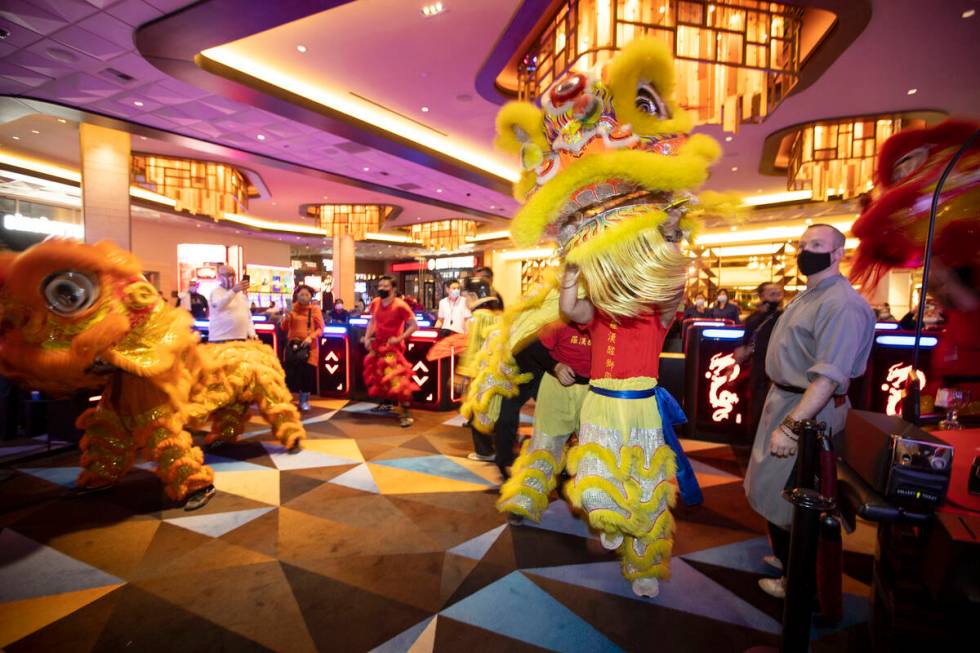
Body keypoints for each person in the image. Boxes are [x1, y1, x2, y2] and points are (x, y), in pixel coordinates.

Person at [743, 224, 875, 599]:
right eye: (802, 245)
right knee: (778, 492)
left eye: (816, 245)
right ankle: (788, 561)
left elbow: (828, 378)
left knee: (800, 497)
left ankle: (802, 587)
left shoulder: (841, 304)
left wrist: (791, 426)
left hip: (808, 410)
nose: (806, 251)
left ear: (837, 254)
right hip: (787, 399)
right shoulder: (811, 295)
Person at [497, 320, 592, 523]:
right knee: (544, 447)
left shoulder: (609, 318)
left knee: (596, 450)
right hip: (557, 389)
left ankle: (602, 511)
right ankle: (524, 501)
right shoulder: (561, 318)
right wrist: (556, 366)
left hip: (595, 391)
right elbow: (530, 347)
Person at [361, 277, 419, 427]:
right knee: (379, 374)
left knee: (396, 377)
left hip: (393, 348)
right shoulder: (375, 303)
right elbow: (373, 321)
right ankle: (387, 403)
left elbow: (414, 325)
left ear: (392, 288)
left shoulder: (400, 305)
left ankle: (406, 412)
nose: (382, 288)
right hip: (378, 345)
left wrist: (399, 338)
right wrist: (367, 337)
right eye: (380, 285)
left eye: (386, 286)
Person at [735, 282, 785, 438]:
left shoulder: (785, 315)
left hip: (780, 368)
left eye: (778, 292)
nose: (776, 294)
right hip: (760, 367)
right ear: (762, 296)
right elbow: (746, 340)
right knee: (758, 402)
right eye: (771, 292)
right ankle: (755, 437)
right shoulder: (754, 318)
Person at [282, 285, 324, 412]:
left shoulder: (315, 310)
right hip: (293, 347)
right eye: (301, 294)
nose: (304, 297)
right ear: (296, 296)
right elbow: (284, 328)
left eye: (307, 295)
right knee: (291, 374)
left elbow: (321, 328)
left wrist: (311, 337)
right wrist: (286, 316)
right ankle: (289, 400)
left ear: (311, 296)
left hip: (309, 348)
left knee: (307, 374)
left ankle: (304, 400)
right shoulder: (291, 309)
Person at [209, 266, 256, 343]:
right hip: (220, 338)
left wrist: (252, 333)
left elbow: (247, 316)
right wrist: (233, 291)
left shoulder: (241, 295)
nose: (231, 278)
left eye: (233, 274)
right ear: (219, 277)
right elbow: (219, 306)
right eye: (227, 274)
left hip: (241, 338)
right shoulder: (215, 292)